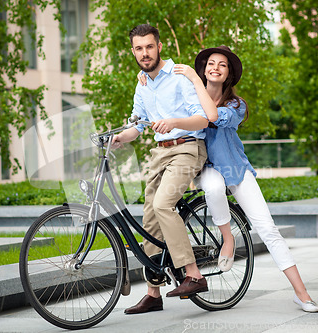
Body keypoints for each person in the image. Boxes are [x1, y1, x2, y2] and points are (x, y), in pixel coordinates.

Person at [138, 45, 318, 313]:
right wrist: (145, 78)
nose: (215, 67)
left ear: (229, 74)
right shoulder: (191, 96)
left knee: (268, 229)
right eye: (211, 63)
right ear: (204, 68)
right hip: (206, 167)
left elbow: (211, 117)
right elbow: (163, 88)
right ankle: (228, 239)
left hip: (235, 169)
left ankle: (302, 293)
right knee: (212, 186)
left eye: (222, 65)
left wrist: (192, 78)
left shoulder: (236, 104)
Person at [113, 24, 210, 315]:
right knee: (150, 218)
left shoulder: (179, 76)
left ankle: (194, 274)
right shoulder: (142, 83)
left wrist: (173, 121)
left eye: (149, 46)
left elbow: (203, 119)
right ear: (133, 51)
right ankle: (153, 293)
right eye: (139, 48)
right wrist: (119, 137)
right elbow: (137, 125)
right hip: (160, 154)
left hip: (188, 147)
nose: (145, 53)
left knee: (163, 204)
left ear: (159, 46)